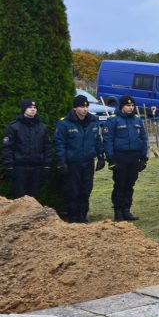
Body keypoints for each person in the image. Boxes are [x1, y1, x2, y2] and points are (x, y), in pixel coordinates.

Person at [54, 95, 104, 223]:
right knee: (73, 191)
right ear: (75, 108)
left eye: (86, 106)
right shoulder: (64, 123)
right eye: (82, 106)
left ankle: (83, 216)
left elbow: (97, 140)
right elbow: (60, 143)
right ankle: (73, 217)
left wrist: (101, 157)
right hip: (73, 163)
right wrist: (61, 161)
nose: (85, 109)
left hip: (88, 162)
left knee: (86, 190)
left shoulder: (93, 121)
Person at [102, 95, 148, 222]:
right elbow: (108, 140)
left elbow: (143, 139)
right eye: (128, 105)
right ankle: (118, 211)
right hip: (120, 157)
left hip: (134, 157)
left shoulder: (137, 120)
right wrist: (111, 159)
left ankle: (127, 210)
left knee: (130, 184)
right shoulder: (113, 120)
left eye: (132, 105)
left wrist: (143, 158)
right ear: (122, 106)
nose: (131, 108)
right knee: (120, 185)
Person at [2, 99, 51, 199]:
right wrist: (9, 166)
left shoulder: (42, 127)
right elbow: (7, 148)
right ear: (24, 109)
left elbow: (47, 147)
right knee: (19, 199)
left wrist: (47, 165)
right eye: (30, 107)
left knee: (34, 199)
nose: (33, 109)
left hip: (37, 168)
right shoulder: (14, 127)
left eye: (34, 107)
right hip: (20, 168)